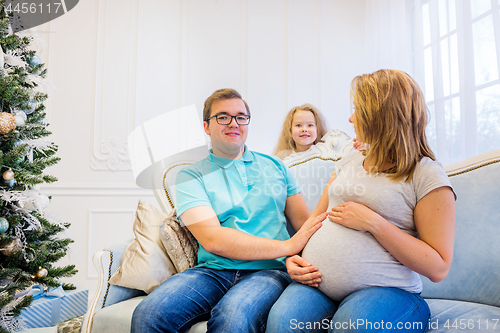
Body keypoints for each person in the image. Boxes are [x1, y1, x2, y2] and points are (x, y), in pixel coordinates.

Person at [266, 69, 456, 332]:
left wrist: (373, 222)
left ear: (381, 117)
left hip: (389, 292)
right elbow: (315, 219)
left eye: (358, 110)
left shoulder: (426, 173)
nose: (351, 118)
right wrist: (293, 256)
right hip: (317, 286)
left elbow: (438, 267)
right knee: (282, 323)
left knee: (351, 327)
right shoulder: (350, 159)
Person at [131, 88, 326, 333]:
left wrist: (334, 187)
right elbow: (213, 239)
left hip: (268, 271)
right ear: (206, 126)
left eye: (240, 117)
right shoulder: (190, 176)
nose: (233, 123)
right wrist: (288, 248)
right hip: (212, 271)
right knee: (148, 314)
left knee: (232, 317)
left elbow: (305, 224)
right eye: (223, 117)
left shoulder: (276, 166)